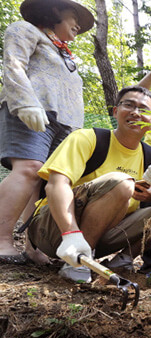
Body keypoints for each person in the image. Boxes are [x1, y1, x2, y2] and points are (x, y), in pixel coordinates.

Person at [27, 86, 151, 283]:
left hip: (105, 234)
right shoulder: (87, 138)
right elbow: (56, 184)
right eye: (128, 105)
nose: (136, 113)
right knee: (123, 184)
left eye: (144, 110)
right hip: (56, 230)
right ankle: (76, 264)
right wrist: (71, 233)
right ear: (115, 111)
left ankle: (123, 260)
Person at [0, 0, 94, 265]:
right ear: (54, 11)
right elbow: (13, 64)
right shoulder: (25, 30)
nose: (78, 24)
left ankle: (32, 246)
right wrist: (25, 102)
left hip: (64, 124)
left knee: (45, 181)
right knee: (29, 168)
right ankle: (1, 239)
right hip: (31, 111)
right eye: (73, 15)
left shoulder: (64, 53)